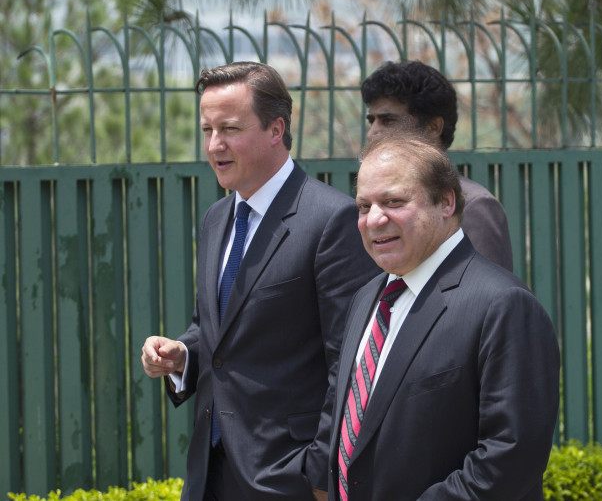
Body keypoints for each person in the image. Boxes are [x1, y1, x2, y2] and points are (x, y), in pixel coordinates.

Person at [141, 61, 379, 501]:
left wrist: (318, 473)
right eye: (207, 130)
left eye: (229, 128)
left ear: (276, 129)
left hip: (288, 480)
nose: (215, 145)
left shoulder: (332, 220)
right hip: (208, 475)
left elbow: (349, 365)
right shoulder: (216, 219)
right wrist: (182, 355)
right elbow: (217, 332)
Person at [328, 131, 559, 500]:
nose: (373, 220)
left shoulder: (503, 305)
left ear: (446, 202)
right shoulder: (366, 298)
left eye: (393, 201)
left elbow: (511, 456)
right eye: (363, 206)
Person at [361, 60, 514, 271]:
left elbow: (486, 296)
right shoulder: (371, 206)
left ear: (433, 127)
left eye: (388, 121)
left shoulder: (474, 206)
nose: (373, 133)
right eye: (372, 121)